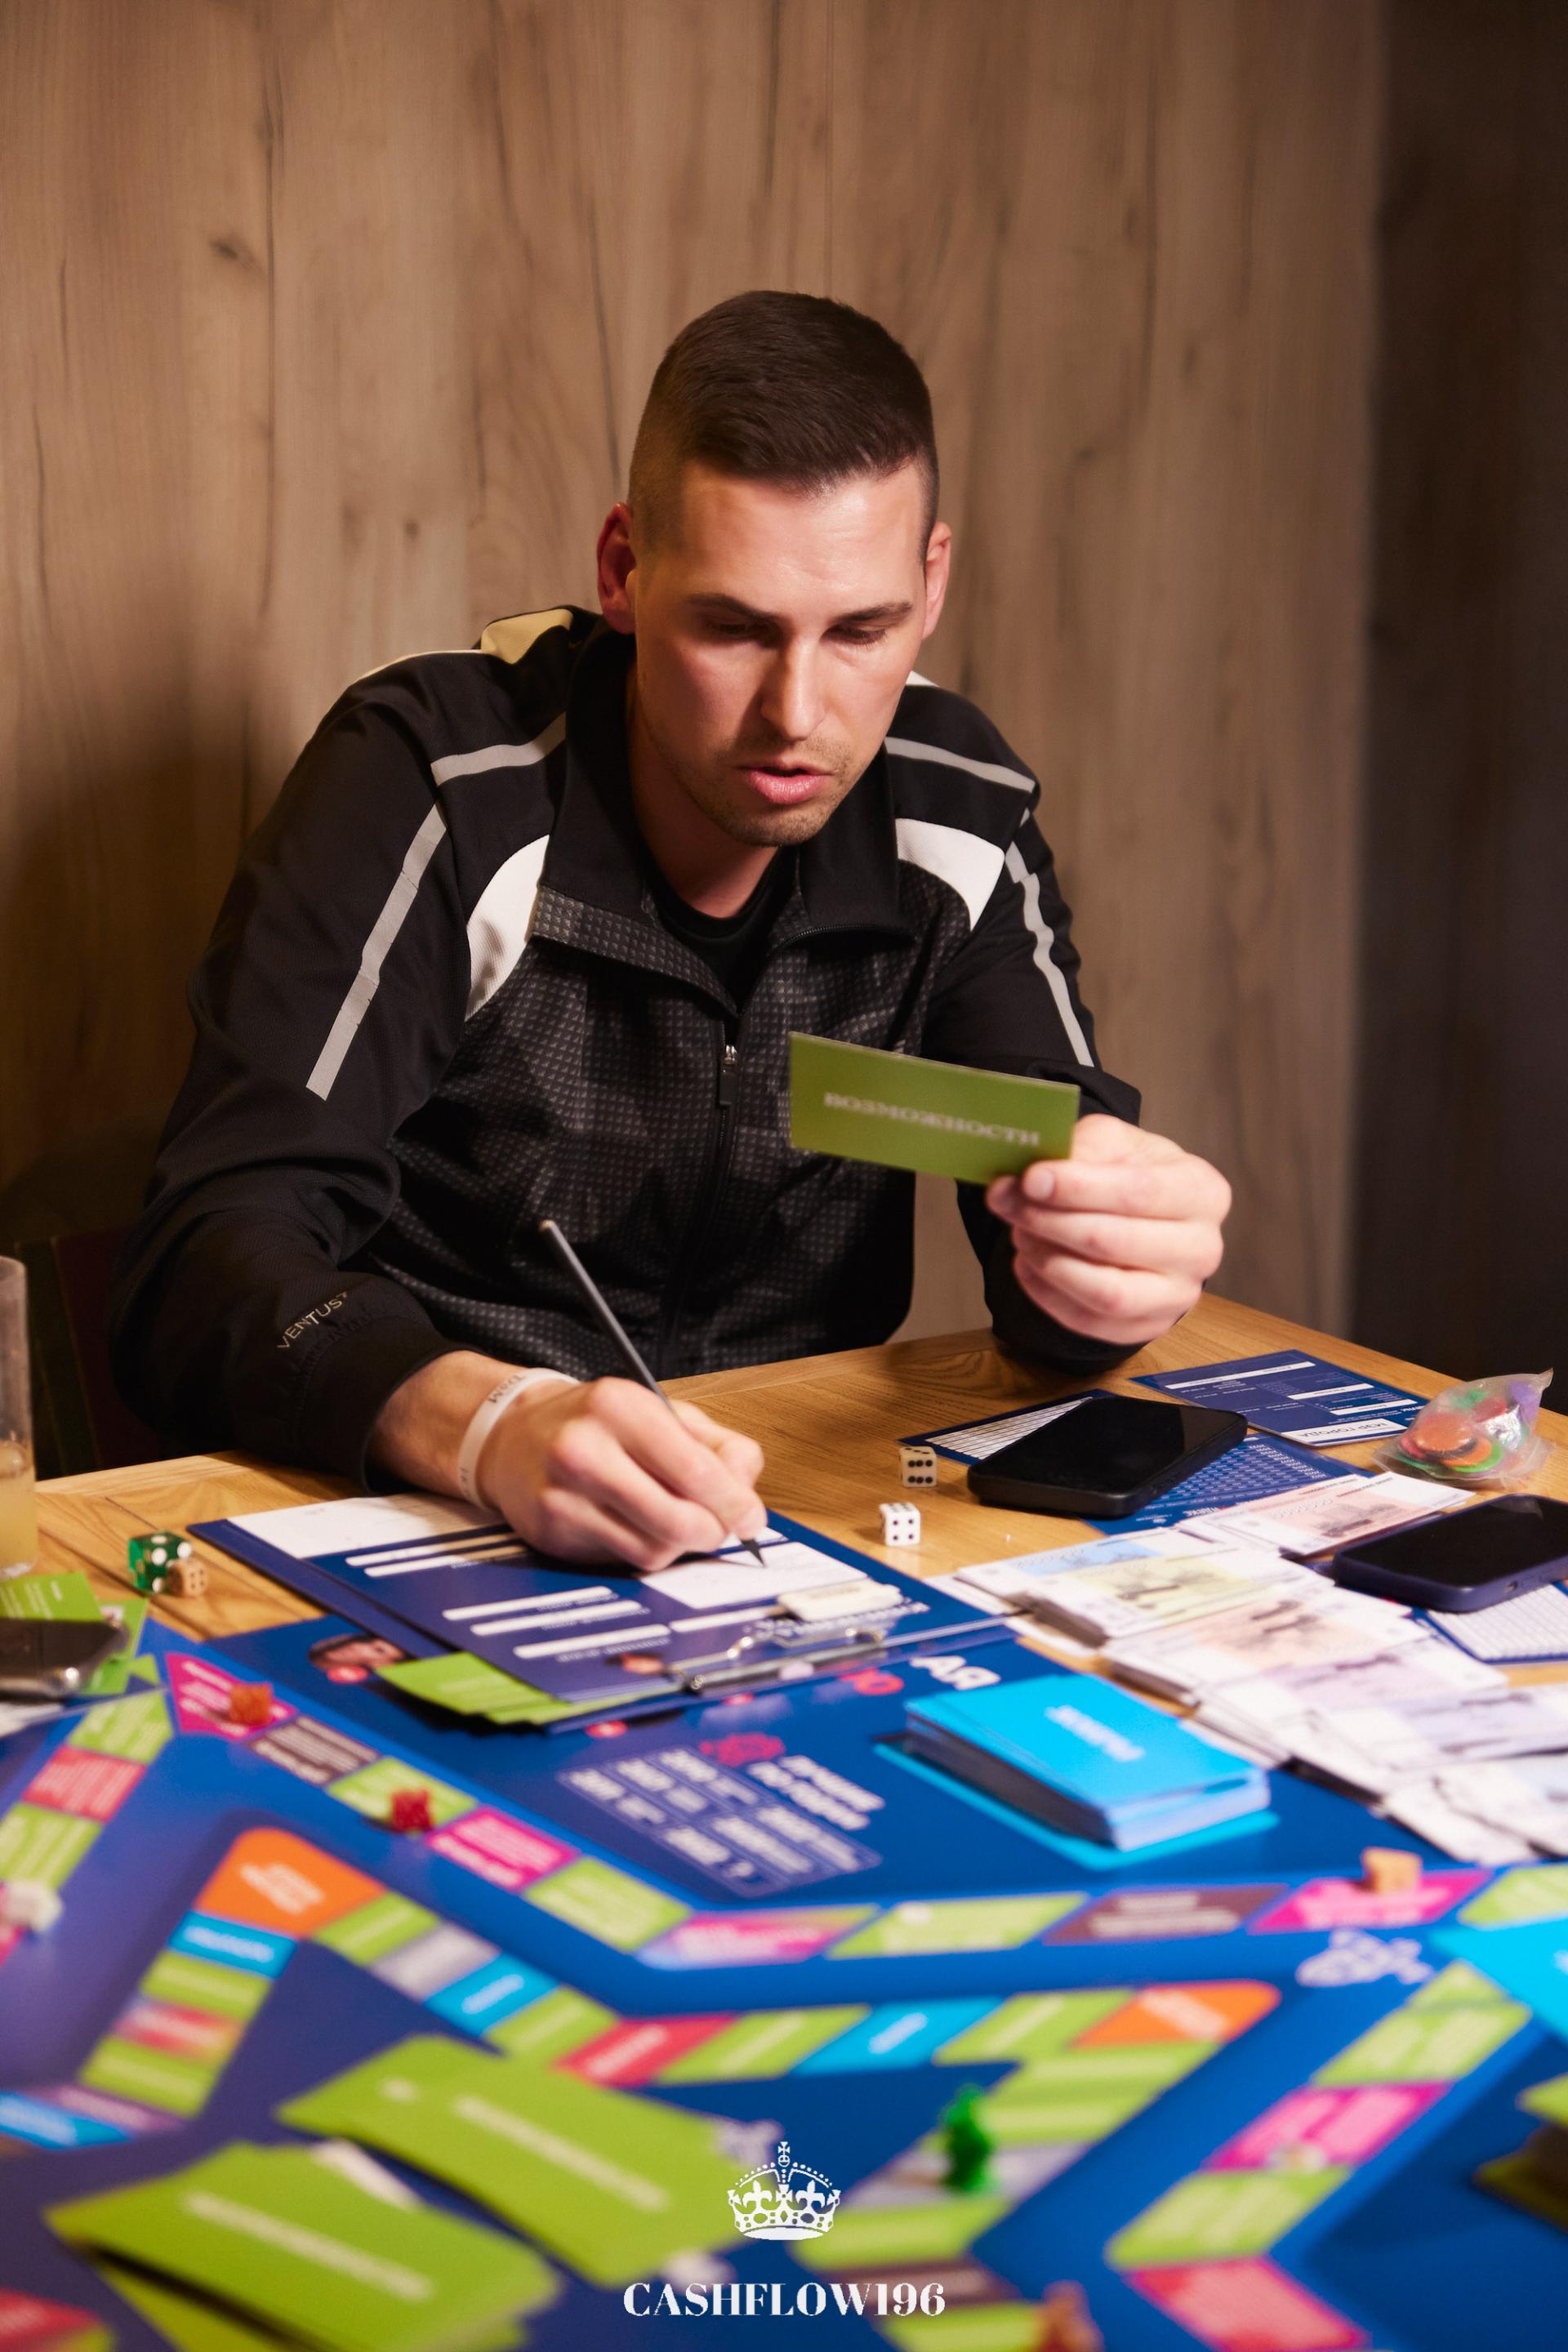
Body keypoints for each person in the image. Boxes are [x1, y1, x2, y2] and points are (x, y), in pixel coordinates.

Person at [111, 292, 1231, 1571]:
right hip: (432, 1514)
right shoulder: (435, 783)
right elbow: (200, 1265)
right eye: (734, 628)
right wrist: (491, 1426)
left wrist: (1104, 1272)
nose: (795, 714)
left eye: (860, 631)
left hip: (784, 1520)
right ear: (624, 570)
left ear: (931, 584)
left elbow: (1047, 1249)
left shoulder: (955, 813)